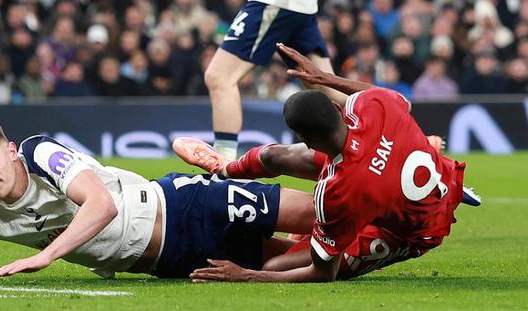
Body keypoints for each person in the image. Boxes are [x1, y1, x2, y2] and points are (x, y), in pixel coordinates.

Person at [173, 43, 481, 283]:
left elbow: (323, 273)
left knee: (276, 265)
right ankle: (225, 167)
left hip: (414, 230)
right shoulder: (377, 106)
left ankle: (327, 233)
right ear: (337, 107)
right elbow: (390, 98)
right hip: (403, 172)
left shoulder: (337, 191)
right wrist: (325, 78)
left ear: (307, 139)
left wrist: (249, 276)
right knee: (275, 157)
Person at [0, 120, 316, 283]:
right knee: (310, 262)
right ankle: (348, 246)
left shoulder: (40, 154)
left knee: (323, 212)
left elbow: (101, 205)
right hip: (173, 262)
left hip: (186, 205)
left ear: (12, 151)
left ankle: (351, 191)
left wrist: (46, 256)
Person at [182, 0, 365, 160]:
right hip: (295, 1)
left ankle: (223, 168)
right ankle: (387, 127)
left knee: (219, 77)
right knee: (328, 89)